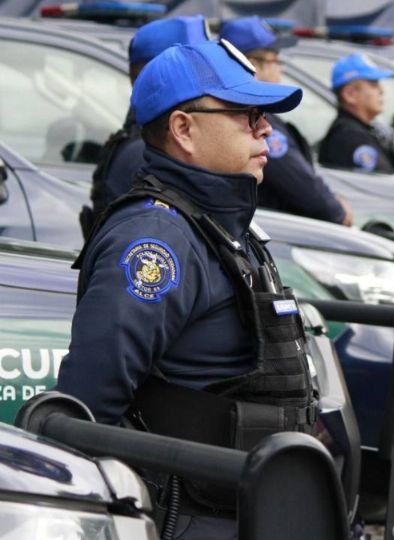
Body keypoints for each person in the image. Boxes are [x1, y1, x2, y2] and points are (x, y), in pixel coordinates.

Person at [57, 41, 312, 539]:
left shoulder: (222, 223)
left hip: (253, 506)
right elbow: (88, 404)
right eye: (246, 114)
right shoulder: (156, 240)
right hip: (198, 516)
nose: (266, 129)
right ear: (184, 129)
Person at [84, 15, 212, 239]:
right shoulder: (148, 151)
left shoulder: (152, 138)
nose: (211, 75)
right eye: (198, 66)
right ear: (162, 73)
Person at [221, 16, 352, 225]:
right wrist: (337, 212)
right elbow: (301, 184)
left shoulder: (237, 112)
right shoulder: (252, 119)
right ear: (253, 65)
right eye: (276, 60)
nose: (281, 68)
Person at [317, 53, 394, 173]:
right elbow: (383, 184)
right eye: (373, 85)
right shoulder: (350, 136)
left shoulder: (359, 129)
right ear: (350, 95)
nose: (381, 90)